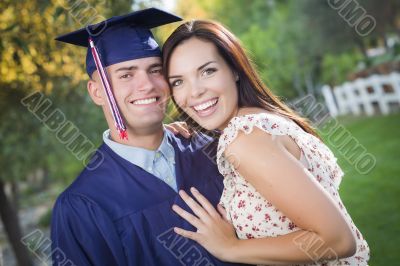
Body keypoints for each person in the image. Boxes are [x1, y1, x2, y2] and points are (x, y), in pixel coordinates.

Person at [162, 20, 370, 265]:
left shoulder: (245, 138)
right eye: (178, 81)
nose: (194, 92)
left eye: (207, 71)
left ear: (234, 70)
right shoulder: (257, 122)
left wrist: (231, 248)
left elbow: (338, 241)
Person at [51, 9, 247, 266]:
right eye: (126, 74)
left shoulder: (215, 150)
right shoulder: (82, 206)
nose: (147, 85)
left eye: (155, 70)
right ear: (97, 92)